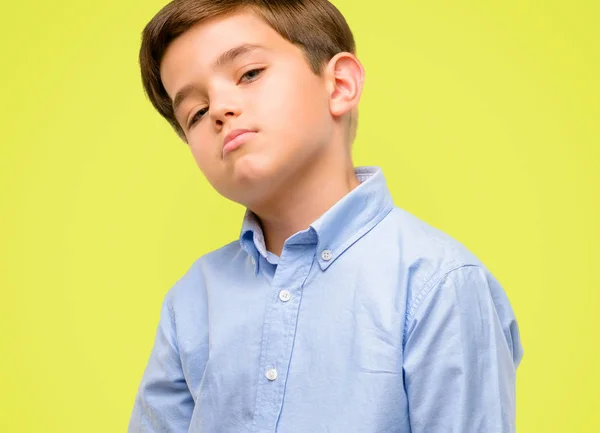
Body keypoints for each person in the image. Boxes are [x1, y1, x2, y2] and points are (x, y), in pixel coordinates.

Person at [128, 0, 524, 431]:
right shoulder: (191, 301)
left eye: (250, 74)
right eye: (196, 113)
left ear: (338, 84)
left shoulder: (438, 283)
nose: (220, 108)